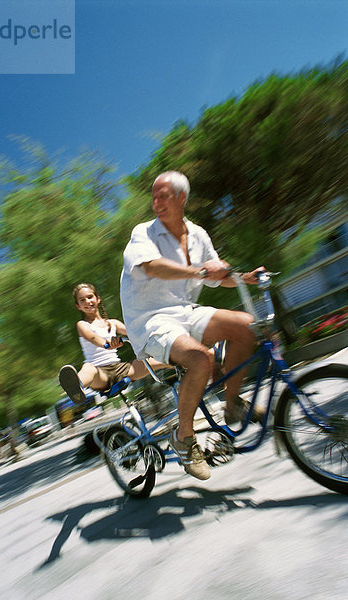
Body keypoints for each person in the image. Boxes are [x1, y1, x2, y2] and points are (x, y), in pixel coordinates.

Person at [120, 171, 265, 481]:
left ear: (181, 198)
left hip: (186, 311)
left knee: (246, 326)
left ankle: (232, 403)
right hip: (151, 319)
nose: (156, 202)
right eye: (154, 196)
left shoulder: (198, 234)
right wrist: (199, 271)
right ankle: (185, 438)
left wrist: (243, 277)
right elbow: (152, 267)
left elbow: (216, 276)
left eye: (164, 196)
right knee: (201, 359)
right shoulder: (143, 233)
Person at [59, 282, 166, 404]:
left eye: (90, 297)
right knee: (88, 368)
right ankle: (76, 387)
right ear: (78, 306)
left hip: (120, 369)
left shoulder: (113, 323)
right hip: (100, 374)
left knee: (165, 359)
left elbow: (135, 334)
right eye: (82, 300)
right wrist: (107, 343)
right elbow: (93, 338)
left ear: (98, 299)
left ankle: (185, 371)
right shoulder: (82, 325)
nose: (87, 302)